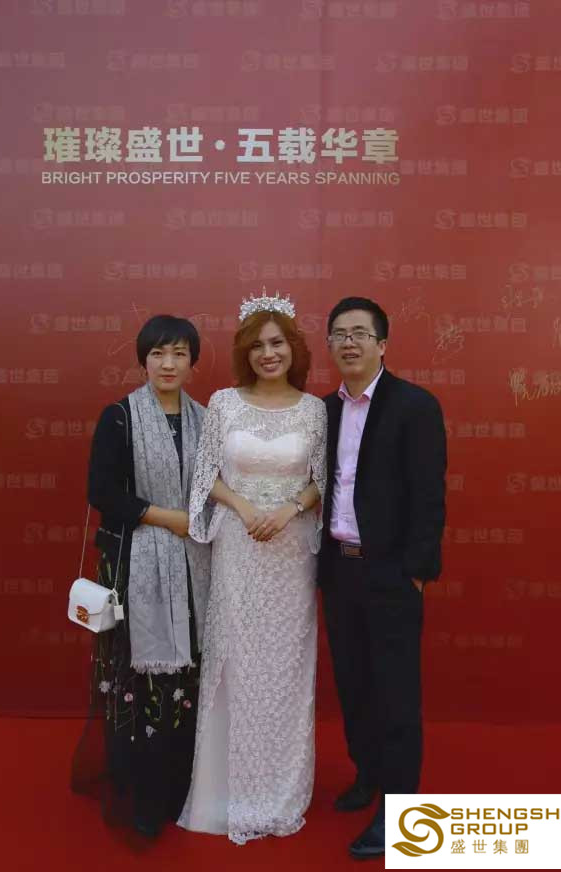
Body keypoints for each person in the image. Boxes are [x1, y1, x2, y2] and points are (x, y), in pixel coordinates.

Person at [177, 292, 327, 845]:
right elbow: (206, 476)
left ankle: (279, 791)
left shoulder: (314, 410)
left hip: (290, 556)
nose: (269, 353)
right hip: (238, 550)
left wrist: (289, 509)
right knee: (235, 660)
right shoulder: (223, 403)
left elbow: (322, 481)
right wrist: (242, 508)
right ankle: (224, 790)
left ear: (293, 348)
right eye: (258, 345)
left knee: (285, 668)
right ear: (245, 351)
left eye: (278, 342)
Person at [71, 315, 211, 838]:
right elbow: (102, 492)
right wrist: (168, 518)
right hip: (134, 564)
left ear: (193, 362)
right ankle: (139, 792)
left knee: (186, 676)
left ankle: (180, 789)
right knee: (139, 677)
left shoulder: (207, 420)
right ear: (143, 361)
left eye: (179, 353)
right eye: (157, 354)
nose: (168, 364)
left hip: (195, 565)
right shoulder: (120, 417)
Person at [319, 296, 447, 859]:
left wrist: (416, 572)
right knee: (354, 686)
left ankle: (399, 815)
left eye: (360, 333)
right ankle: (368, 775)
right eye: (339, 334)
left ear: (383, 344)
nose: (349, 342)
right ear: (329, 345)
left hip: (391, 573)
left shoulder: (414, 406)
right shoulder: (322, 412)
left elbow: (429, 496)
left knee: (395, 696)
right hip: (338, 571)